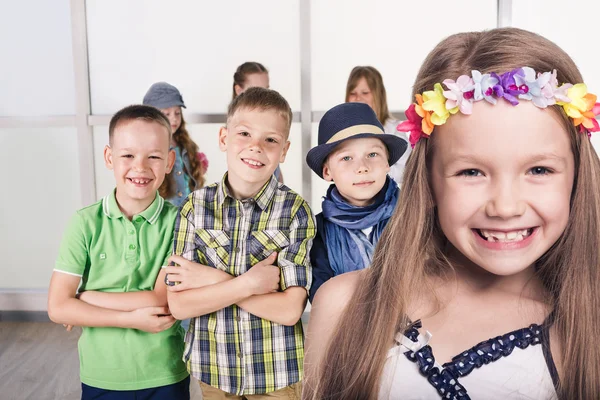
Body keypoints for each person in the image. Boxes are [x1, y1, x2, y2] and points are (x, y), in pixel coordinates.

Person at [304, 27, 600, 399]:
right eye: (471, 172)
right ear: (427, 179)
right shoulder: (344, 307)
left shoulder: (587, 333)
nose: (505, 207)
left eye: (539, 170)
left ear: (577, 175)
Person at [165, 87, 315, 398]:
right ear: (223, 138)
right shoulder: (195, 208)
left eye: (270, 140)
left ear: (284, 150)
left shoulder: (295, 212)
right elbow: (179, 304)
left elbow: (288, 310)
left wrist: (210, 279)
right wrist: (249, 284)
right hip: (214, 370)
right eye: (244, 133)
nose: (256, 147)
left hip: (278, 374)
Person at [48, 105, 190, 399]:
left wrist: (85, 298)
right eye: (128, 155)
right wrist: (130, 318)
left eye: (153, 156)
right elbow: (58, 307)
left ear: (169, 161)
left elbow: (160, 300)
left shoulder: (180, 223)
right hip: (102, 375)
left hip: (165, 371)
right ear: (109, 158)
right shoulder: (84, 222)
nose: (140, 167)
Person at [305, 102, 406, 302]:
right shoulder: (318, 232)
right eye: (346, 158)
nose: (362, 167)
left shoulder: (412, 214)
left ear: (387, 162)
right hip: (346, 330)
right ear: (327, 171)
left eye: (372, 154)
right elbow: (322, 298)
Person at [143, 82, 207, 207]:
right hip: (165, 215)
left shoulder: (184, 143)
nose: (174, 119)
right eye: (167, 114)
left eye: (177, 113)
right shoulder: (148, 148)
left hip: (189, 210)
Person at [346, 66, 410, 184]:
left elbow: (406, 170)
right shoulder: (343, 132)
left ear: (378, 96)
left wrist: (374, 173)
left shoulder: (394, 129)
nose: (358, 98)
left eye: (365, 93)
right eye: (352, 93)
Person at [231, 61, 284, 183]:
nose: (264, 95)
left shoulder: (272, 123)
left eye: (266, 89)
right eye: (255, 90)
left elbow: (276, 168)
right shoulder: (233, 133)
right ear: (239, 90)